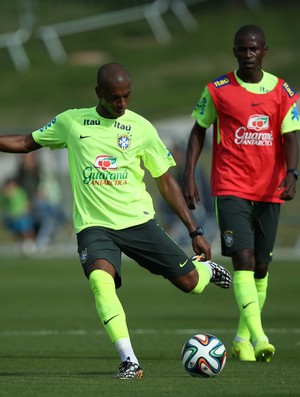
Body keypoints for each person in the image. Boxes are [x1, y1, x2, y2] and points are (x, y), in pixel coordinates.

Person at [0, 62, 232, 379]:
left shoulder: (142, 128)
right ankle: (129, 360)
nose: (121, 103)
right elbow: (27, 142)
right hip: (94, 227)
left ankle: (205, 270)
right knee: (100, 281)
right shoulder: (72, 122)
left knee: (190, 284)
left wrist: (195, 229)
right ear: (98, 93)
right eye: (114, 97)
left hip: (138, 222)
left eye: (126, 96)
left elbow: (165, 180)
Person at [182, 25, 300, 363]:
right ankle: (261, 336)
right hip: (231, 187)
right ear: (234, 51)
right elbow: (197, 131)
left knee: (261, 267)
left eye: (253, 49)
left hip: (270, 189)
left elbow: (291, 136)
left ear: (265, 50)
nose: (247, 55)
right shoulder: (217, 90)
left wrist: (292, 173)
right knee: (243, 261)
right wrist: (189, 175)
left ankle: (242, 338)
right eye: (242, 49)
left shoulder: (283, 91)